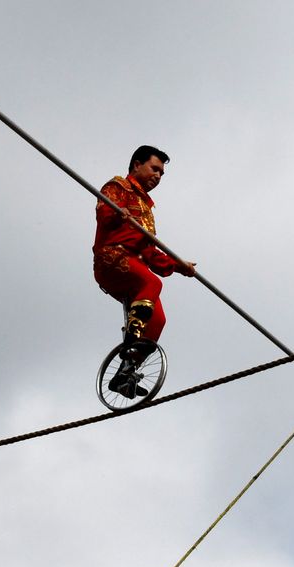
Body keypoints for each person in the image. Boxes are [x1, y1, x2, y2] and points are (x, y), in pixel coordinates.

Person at [93, 145, 195, 395]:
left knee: (158, 320)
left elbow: (149, 253)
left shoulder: (147, 209)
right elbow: (104, 213)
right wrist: (119, 213)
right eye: (154, 169)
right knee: (153, 283)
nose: (158, 176)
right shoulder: (118, 186)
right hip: (112, 258)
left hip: (135, 267)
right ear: (137, 165)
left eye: (161, 173)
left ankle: (125, 372)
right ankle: (131, 339)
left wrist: (179, 266)